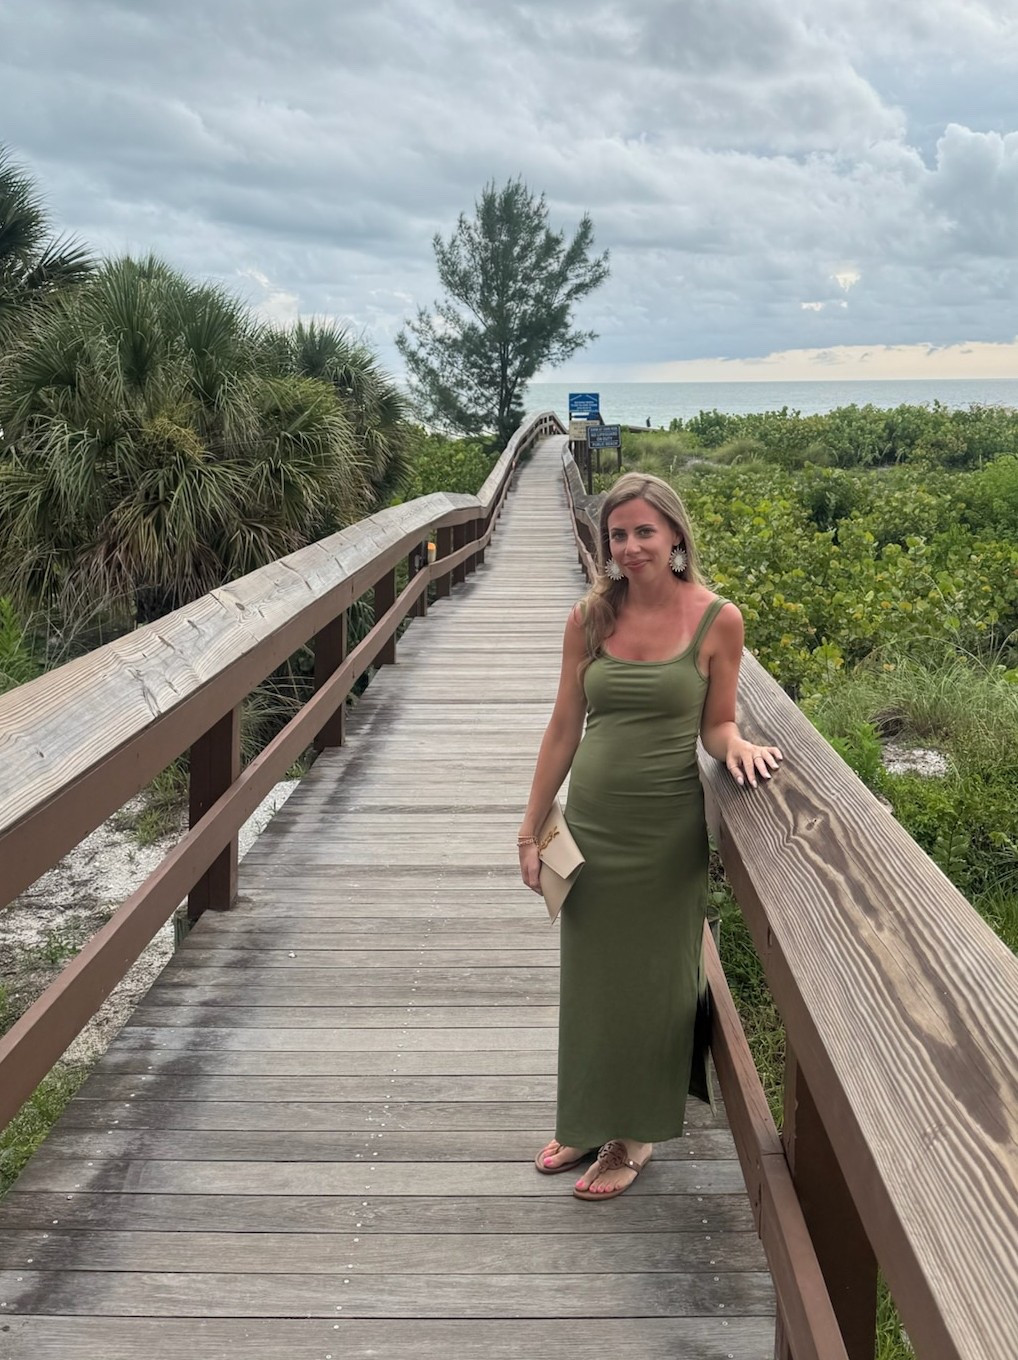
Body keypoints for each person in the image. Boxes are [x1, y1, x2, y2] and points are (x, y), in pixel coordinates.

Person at [517, 472, 782, 1200]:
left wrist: (738, 747)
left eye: (643, 532)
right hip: (592, 828)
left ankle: (631, 1138)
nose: (630, 547)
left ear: (674, 537)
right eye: (617, 535)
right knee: (592, 981)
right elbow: (564, 724)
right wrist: (531, 824)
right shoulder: (590, 619)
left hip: (664, 835)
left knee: (653, 987)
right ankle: (585, 1115)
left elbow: (716, 722)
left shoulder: (717, 619)